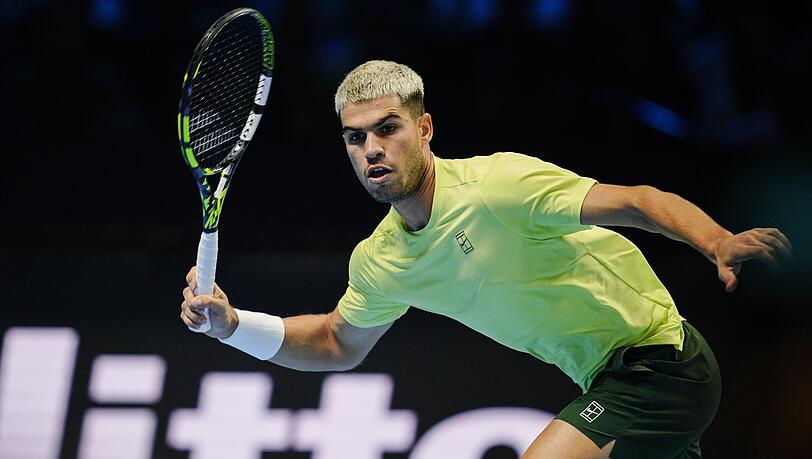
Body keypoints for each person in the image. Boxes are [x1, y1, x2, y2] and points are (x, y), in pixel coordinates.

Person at [179, 60, 792, 458]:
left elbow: (637, 201)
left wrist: (716, 241)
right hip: (608, 384)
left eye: (387, 128)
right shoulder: (382, 260)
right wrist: (232, 327)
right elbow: (339, 343)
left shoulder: (498, 186)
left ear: (425, 130)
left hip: (662, 365)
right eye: (355, 137)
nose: (371, 149)